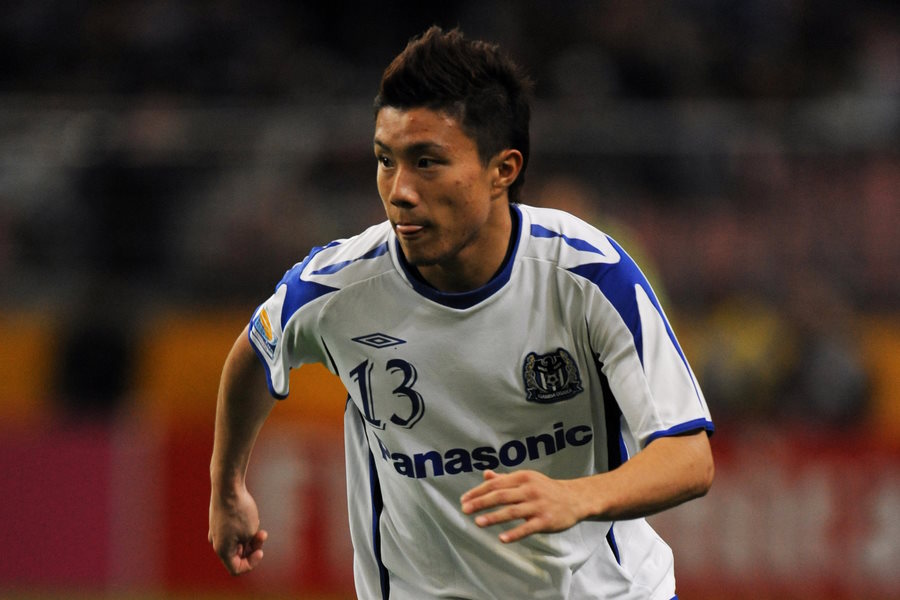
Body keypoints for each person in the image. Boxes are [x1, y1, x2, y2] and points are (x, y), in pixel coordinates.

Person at [208, 26, 714, 600]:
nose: (399, 191)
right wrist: (228, 488)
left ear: (503, 170)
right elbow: (255, 352)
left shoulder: (589, 274)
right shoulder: (336, 288)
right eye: (385, 160)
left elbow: (688, 457)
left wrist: (576, 497)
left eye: (427, 162)